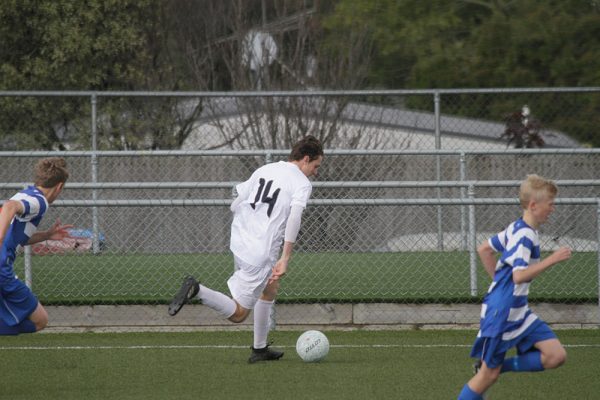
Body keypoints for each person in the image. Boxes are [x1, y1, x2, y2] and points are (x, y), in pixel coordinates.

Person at [169, 135, 324, 363]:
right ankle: (198, 290)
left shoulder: (266, 169)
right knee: (240, 313)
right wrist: (285, 257)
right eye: (315, 166)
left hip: (240, 240)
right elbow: (295, 218)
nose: (315, 172)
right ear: (305, 159)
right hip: (260, 251)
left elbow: (237, 200)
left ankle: (259, 349)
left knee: (270, 287)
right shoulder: (301, 183)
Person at [457, 174, 572, 400]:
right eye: (550, 204)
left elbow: (484, 249)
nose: (553, 208)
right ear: (533, 205)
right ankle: (488, 369)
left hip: (518, 310)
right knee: (487, 377)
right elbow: (519, 276)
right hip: (502, 313)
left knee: (555, 355)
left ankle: (493, 366)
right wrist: (553, 259)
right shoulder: (524, 235)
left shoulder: (517, 228)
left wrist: (499, 284)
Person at [0, 157, 72, 335]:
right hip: (2, 269)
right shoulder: (40, 202)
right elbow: (9, 207)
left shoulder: (27, 194)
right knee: (40, 321)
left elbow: (16, 237)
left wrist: (47, 235)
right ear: (59, 187)